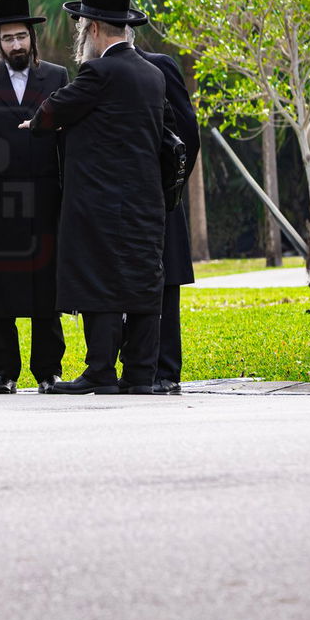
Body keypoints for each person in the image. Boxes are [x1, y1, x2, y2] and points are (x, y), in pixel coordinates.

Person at [20, 0, 169, 395]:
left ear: (95, 29)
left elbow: (50, 112)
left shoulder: (99, 71)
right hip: (145, 199)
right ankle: (140, 372)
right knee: (142, 280)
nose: (82, 35)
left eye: (83, 26)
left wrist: (37, 124)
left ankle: (101, 370)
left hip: (100, 202)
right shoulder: (153, 74)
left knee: (97, 280)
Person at [0, 0, 68, 394]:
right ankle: (3, 372)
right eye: (8, 39)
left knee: (46, 288)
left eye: (21, 37)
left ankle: (48, 371)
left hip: (46, 198)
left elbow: (66, 142)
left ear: (32, 38)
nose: (16, 45)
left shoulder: (57, 77)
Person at [130, 37, 201, 395]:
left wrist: (167, 186)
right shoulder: (92, 73)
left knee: (166, 281)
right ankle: (133, 368)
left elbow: (187, 133)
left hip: (160, 196)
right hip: (119, 204)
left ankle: (166, 369)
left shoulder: (160, 65)